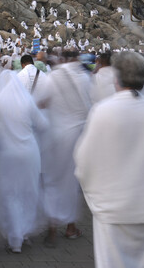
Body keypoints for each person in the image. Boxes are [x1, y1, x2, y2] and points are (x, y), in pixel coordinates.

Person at [74, 52, 144, 267]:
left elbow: (84, 161)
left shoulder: (102, 111)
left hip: (111, 208)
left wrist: (96, 197)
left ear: (116, 78)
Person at [33, 50, 91, 246]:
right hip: (76, 138)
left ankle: (51, 229)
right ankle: (71, 228)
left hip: (54, 137)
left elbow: (41, 102)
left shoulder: (54, 76)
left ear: (64, 58)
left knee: (52, 182)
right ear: (77, 59)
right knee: (72, 184)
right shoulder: (84, 78)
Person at [0, 70, 47, 253]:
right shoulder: (27, 100)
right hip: (29, 153)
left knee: (10, 196)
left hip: (7, 155)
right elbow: (44, 124)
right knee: (27, 193)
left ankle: (15, 240)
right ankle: (25, 232)